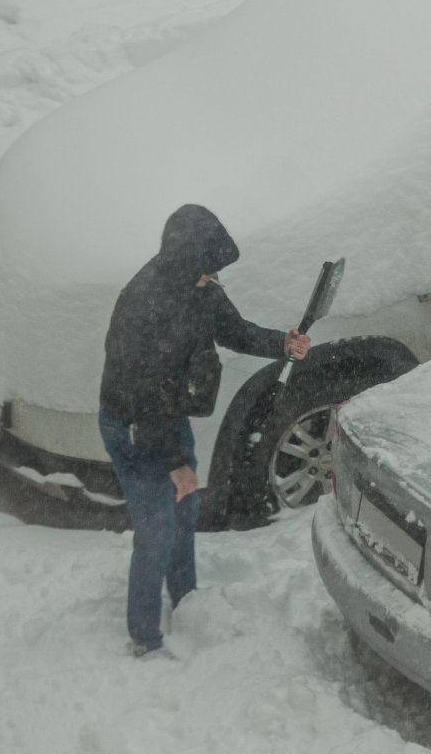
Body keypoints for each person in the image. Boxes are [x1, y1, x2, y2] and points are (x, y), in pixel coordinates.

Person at [98, 204, 310, 657]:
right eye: (207, 271)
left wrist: (282, 344)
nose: (214, 279)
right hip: (134, 426)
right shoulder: (143, 305)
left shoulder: (199, 287)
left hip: (166, 415)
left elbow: (233, 330)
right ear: (186, 264)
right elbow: (144, 397)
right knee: (156, 529)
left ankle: (187, 604)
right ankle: (146, 639)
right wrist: (175, 465)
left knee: (185, 515)